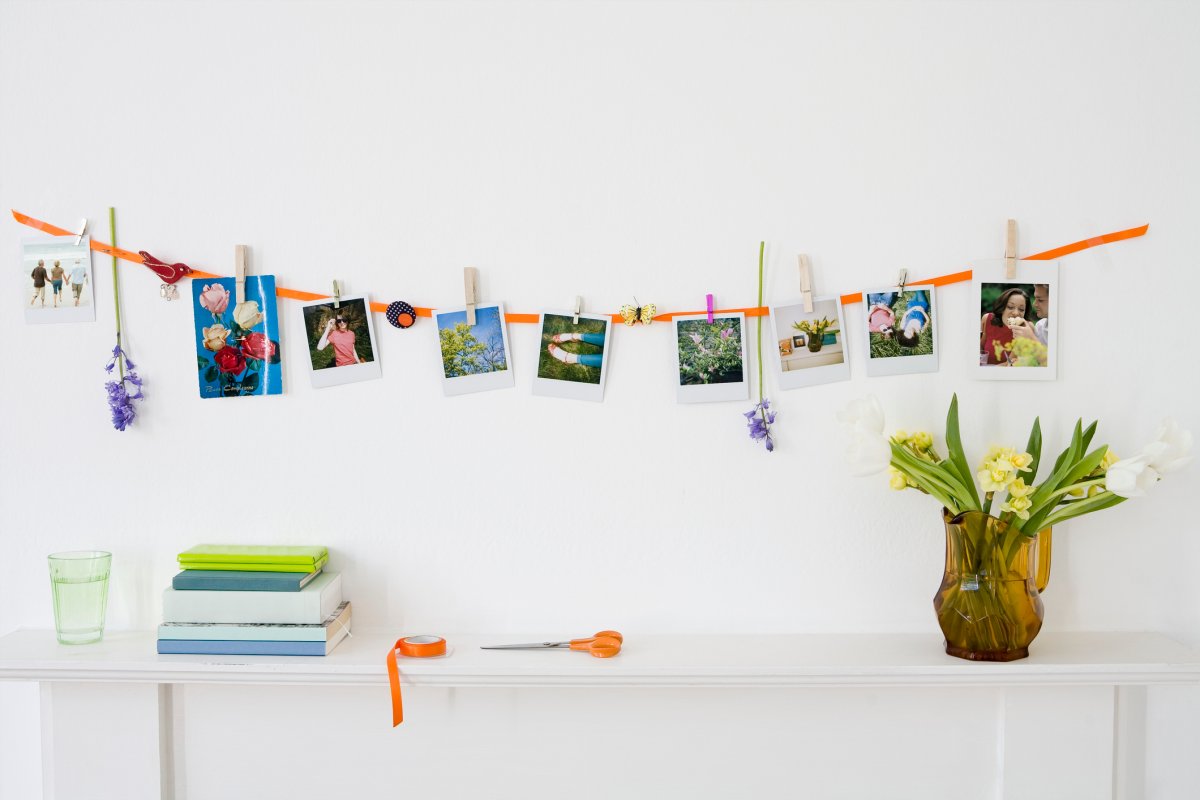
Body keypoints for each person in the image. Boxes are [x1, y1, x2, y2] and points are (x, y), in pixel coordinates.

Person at [980, 287, 1035, 365]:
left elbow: (1009, 363)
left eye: (1021, 309)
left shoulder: (1027, 328)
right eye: (1010, 307)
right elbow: (981, 349)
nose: (1016, 313)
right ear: (1002, 307)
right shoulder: (987, 319)